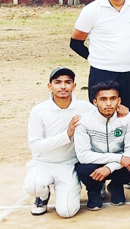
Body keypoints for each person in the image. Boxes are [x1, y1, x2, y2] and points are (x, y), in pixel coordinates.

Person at [69, 0, 130, 192]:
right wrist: (95, 59)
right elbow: (75, 42)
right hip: (102, 75)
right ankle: (97, 175)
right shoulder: (92, 10)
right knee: (102, 123)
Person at [24, 67, 94, 217]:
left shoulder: (86, 108)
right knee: (33, 185)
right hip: (43, 163)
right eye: (57, 82)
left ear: (74, 86)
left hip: (68, 165)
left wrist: (120, 109)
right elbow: (35, 145)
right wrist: (67, 135)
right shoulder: (39, 110)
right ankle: (42, 196)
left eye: (68, 82)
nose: (63, 86)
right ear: (50, 86)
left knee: (67, 212)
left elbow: (104, 116)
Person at [74, 81, 130, 210]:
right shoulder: (83, 121)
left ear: (119, 100)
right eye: (103, 99)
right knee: (83, 169)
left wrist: (109, 168)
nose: (109, 103)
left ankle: (116, 185)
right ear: (95, 102)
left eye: (113, 98)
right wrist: (118, 159)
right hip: (96, 162)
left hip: (118, 165)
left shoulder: (129, 118)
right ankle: (94, 190)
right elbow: (83, 155)